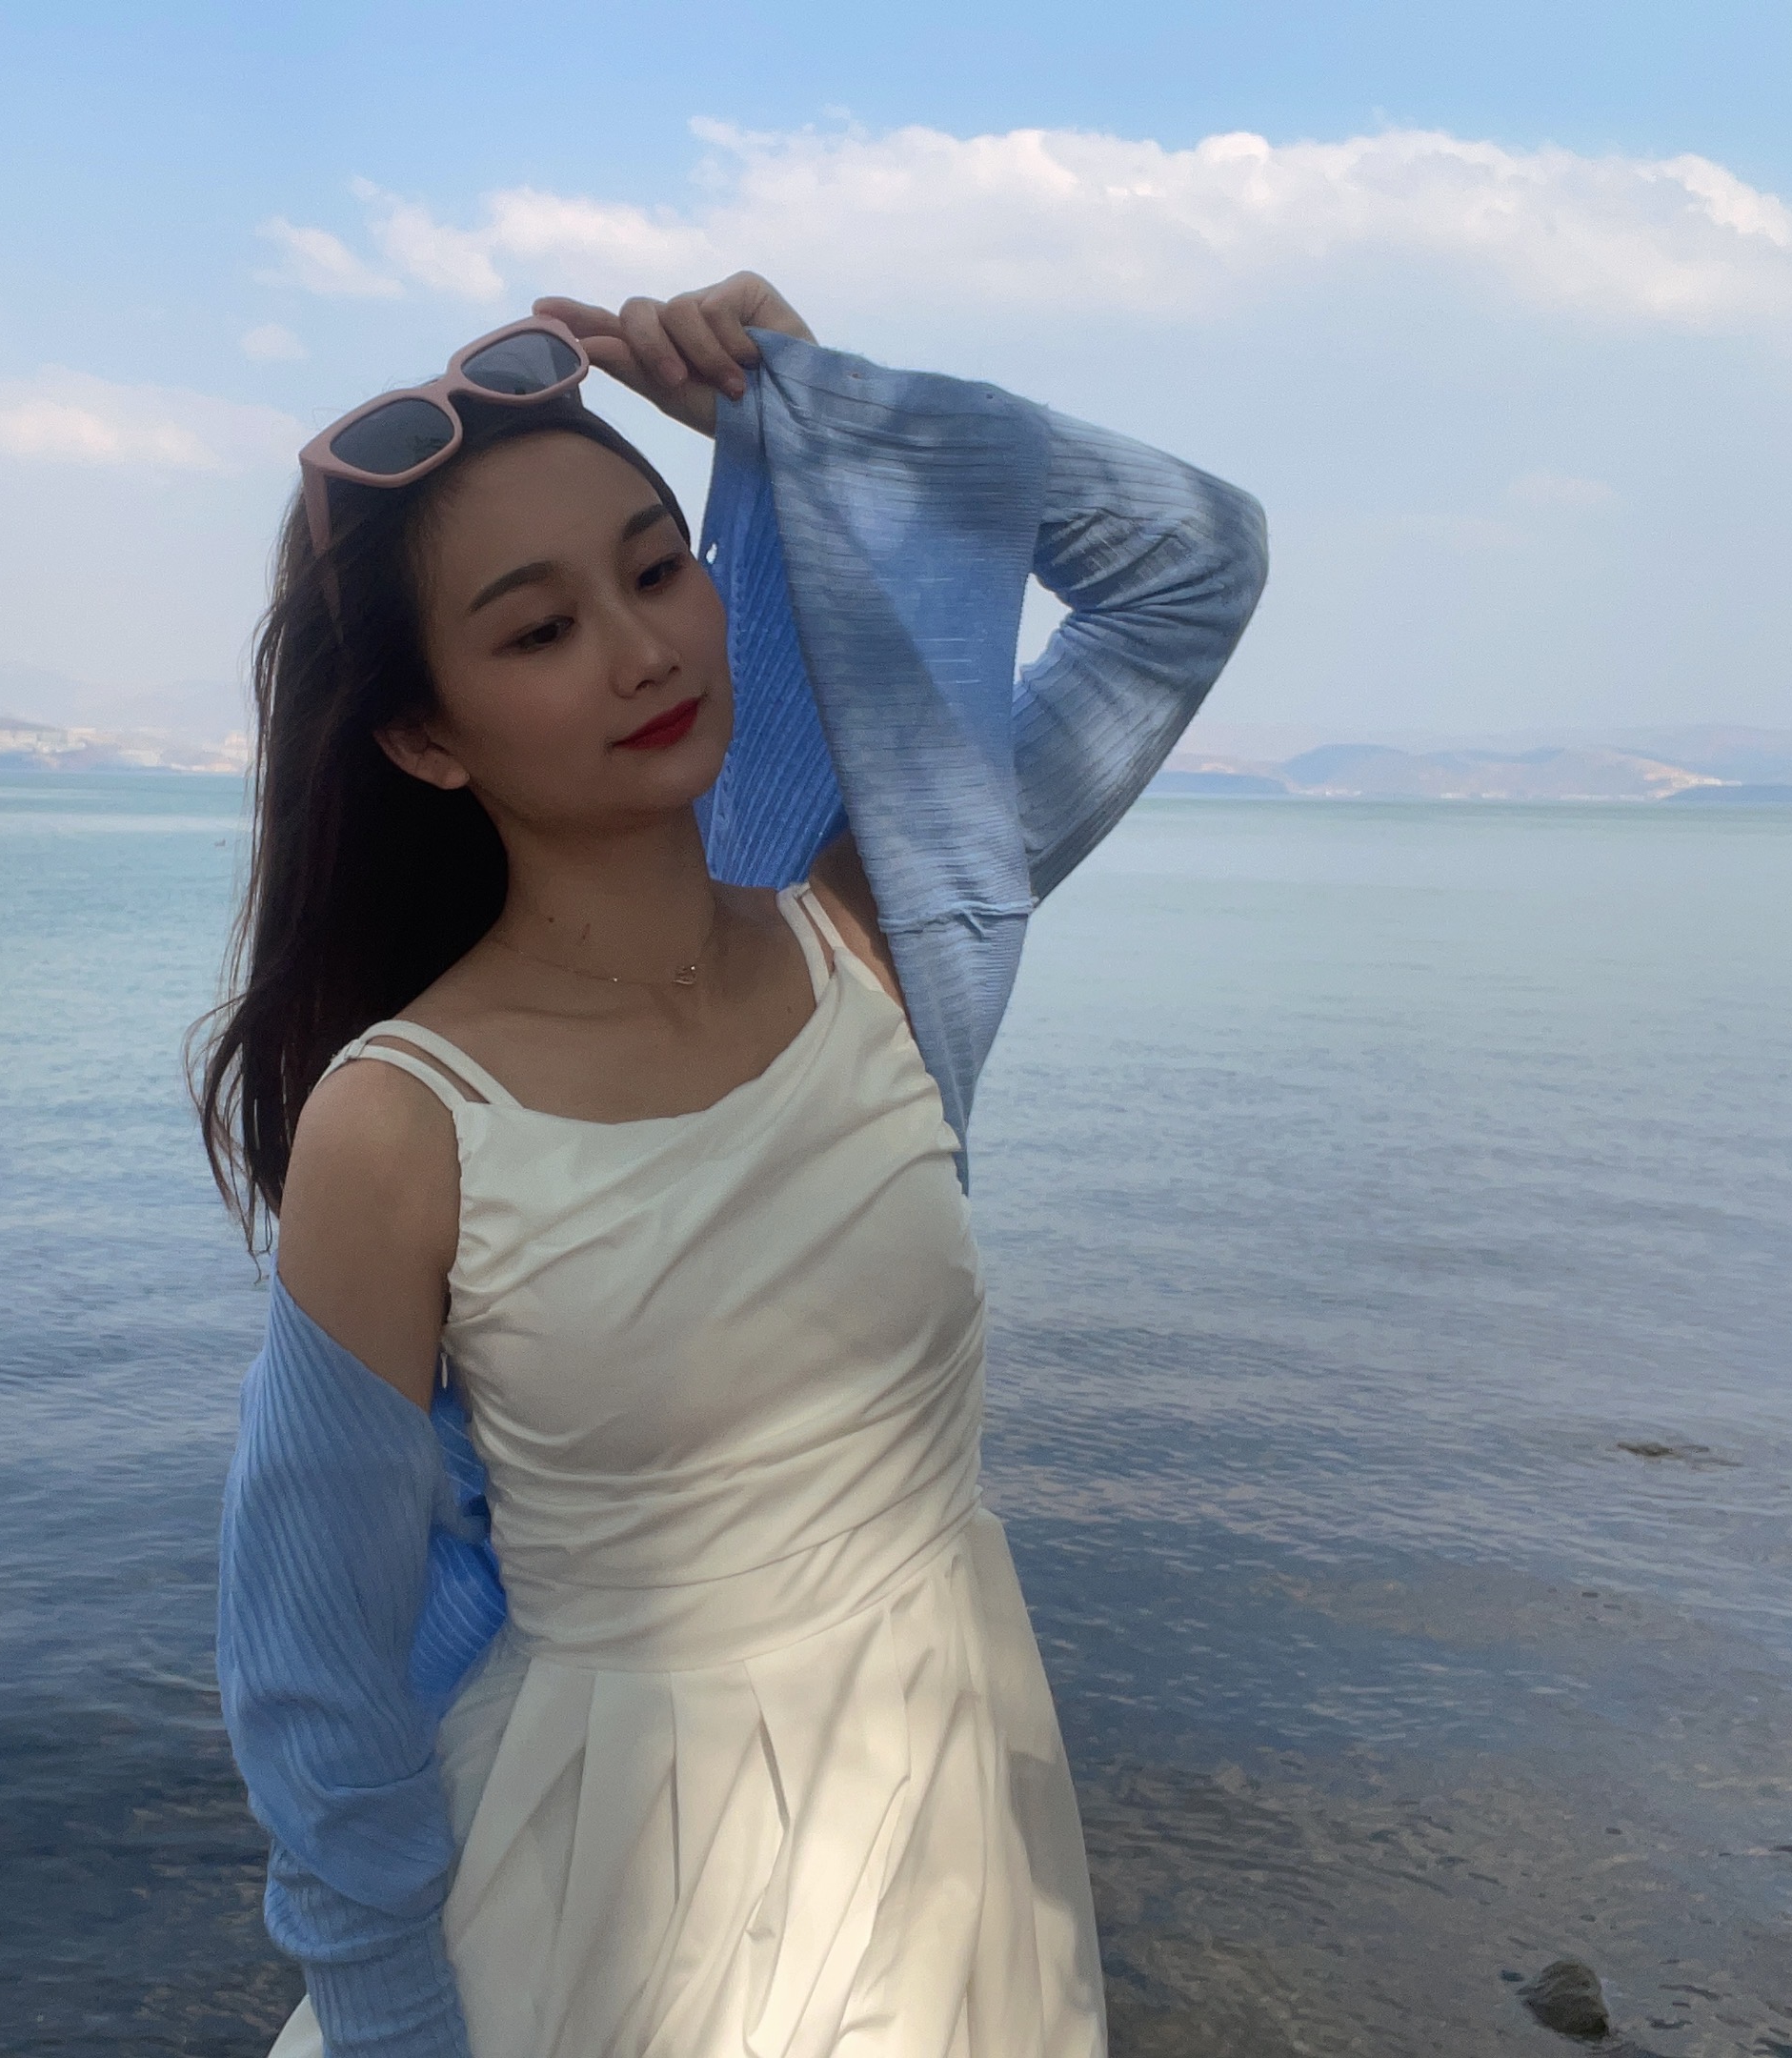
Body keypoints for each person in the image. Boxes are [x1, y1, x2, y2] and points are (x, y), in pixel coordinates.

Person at [200, 272, 1268, 2058]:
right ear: (423, 735)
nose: (643, 651)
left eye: (657, 566)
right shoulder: (403, 1123)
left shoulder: (886, 941)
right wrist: (391, 2030)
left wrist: (822, 420)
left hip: (954, 1847)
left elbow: (1192, 566)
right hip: (608, 1920)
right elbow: (314, 1674)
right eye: (539, 631)